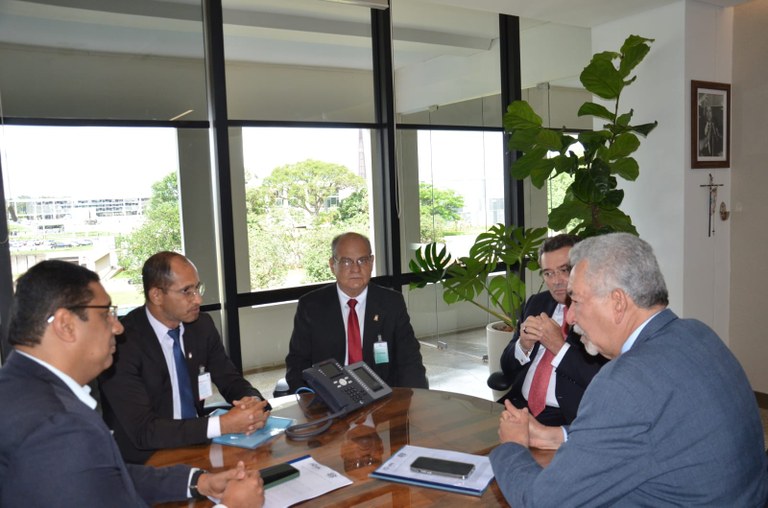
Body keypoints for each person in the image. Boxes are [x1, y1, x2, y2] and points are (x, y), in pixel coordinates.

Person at [490, 233, 768, 505]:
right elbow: (647, 431)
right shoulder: (697, 333)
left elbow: (542, 502)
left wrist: (512, 446)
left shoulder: (624, 383)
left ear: (618, 303)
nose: (570, 317)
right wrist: (555, 436)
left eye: (577, 301)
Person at [0, 260, 264, 507]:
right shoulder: (58, 426)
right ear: (66, 325)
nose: (117, 328)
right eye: (106, 314)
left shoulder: (22, 389)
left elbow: (107, 477)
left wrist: (199, 482)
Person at [100, 251, 271, 464]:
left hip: (197, 444)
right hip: (145, 460)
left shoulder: (201, 326)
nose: (198, 299)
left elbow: (230, 379)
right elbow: (144, 431)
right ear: (156, 295)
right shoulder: (121, 342)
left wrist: (253, 404)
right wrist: (224, 424)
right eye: (186, 291)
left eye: (197, 288)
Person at [285, 232, 428, 393]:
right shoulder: (311, 306)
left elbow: (409, 360)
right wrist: (311, 400)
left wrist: (415, 400)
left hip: (381, 395)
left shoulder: (391, 303)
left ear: (371, 262)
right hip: (330, 397)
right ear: (332, 265)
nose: (355, 269)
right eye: (346, 261)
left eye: (362, 260)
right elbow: (297, 363)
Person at [498, 234, 606, 426]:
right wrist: (523, 346)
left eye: (564, 270)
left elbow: (601, 380)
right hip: (519, 406)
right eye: (548, 273)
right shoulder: (537, 303)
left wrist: (559, 346)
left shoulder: (601, 312)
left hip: (567, 416)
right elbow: (506, 366)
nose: (556, 281)